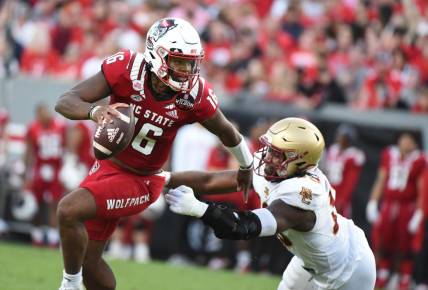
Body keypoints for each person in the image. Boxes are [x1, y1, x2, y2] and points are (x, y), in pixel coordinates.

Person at [54, 17, 253, 290]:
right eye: (179, 62)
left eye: (191, 63)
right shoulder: (126, 68)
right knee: (89, 262)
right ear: (156, 54)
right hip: (107, 169)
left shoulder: (193, 95)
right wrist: (95, 111)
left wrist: (246, 164)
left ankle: (69, 286)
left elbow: (227, 131)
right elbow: (65, 101)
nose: (187, 70)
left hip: (142, 180)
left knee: (68, 210)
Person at [165, 117, 376, 290]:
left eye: (278, 154)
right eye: (270, 149)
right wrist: (161, 178)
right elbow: (209, 181)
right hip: (309, 260)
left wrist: (198, 208)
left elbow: (243, 226)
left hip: (348, 270)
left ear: (300, 161)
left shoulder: (303, 194)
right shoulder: (276, 168)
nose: (267, 158)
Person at [366, 132, 426, 290]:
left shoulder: (420, 160)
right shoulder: (389, 154)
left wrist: (419, 213)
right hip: (388, 204)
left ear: (415, 143)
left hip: (407, 207)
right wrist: (373, 201)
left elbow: (422, 188)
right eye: (403, 138)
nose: (405, 142)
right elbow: (381, 179)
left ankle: (404, 276)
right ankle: (383, 273)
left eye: (409, 139)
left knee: (405, 243)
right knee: (382, 240)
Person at [24, 103, 66, 247]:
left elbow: (67, 145)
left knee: (55, 203)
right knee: (36, 203)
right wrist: (26, 174)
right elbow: (29, 152)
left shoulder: (60, 126)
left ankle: (53, 238)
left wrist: (68, 166)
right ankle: (37, 235)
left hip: (55, 169)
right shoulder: (33, 128)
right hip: (39, 168)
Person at [324, 124, 365, 218]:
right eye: (339, 135)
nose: (339, 138)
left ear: (349, 139)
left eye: (342, 136)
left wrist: (342, 199)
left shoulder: (353, 156)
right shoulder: (333, 149)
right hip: (327, 191)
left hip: (340, 194)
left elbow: (350, 182)